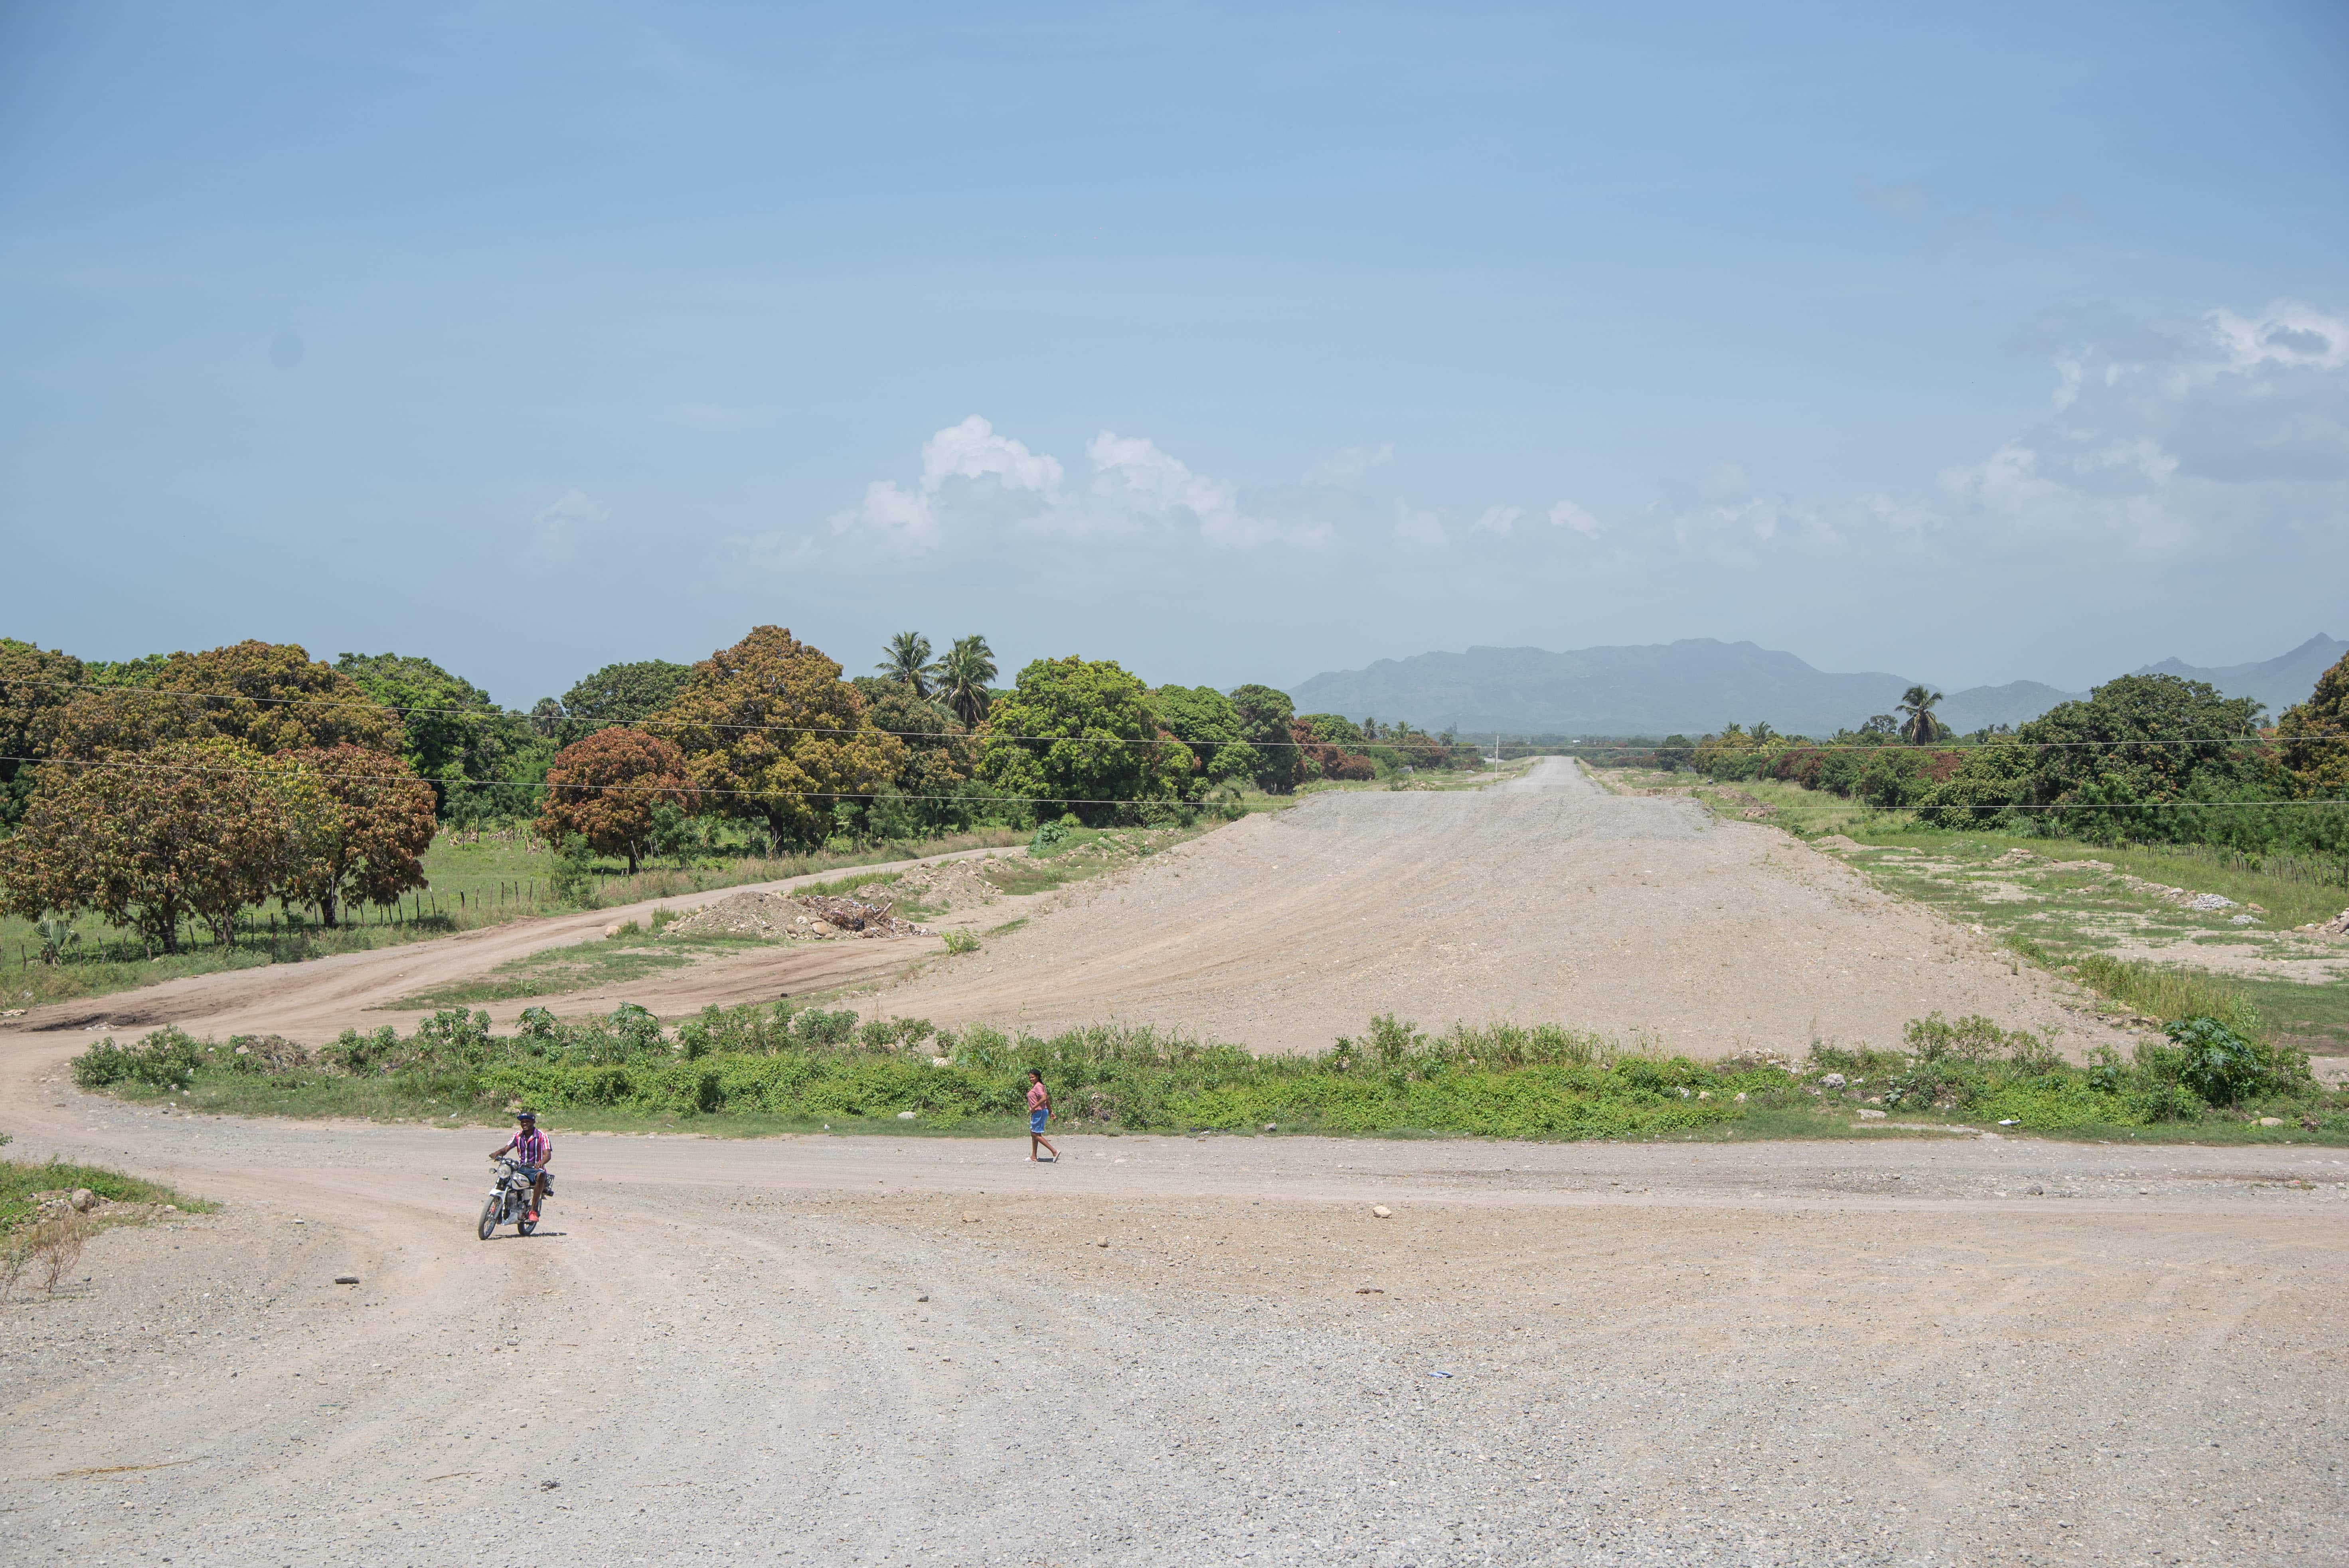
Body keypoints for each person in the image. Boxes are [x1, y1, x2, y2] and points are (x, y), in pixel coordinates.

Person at [491, 1110, 553, 1223]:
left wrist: (541, 1162)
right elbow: (506, 1149)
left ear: (533, 1122)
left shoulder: (542, 1136)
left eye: (527, 1121)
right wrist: (497, 1153)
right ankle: (496, 1206)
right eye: (522, 1122)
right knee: (505, 1176)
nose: (524, 1124)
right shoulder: (518, 1135)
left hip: (535, 1169)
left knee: (541, 1176)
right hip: (521, 1168)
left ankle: (533, 1210)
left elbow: (548, 1154)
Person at [1025, 1069, 1059, 1163]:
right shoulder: (1038, 1086)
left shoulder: (1038, 1086)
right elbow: (1047, 1099)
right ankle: (1034, 1156)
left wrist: (1034, 1107)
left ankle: (1054, 1152)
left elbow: (1044, 1099)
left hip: (1039, 1112)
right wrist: (1051, 1111)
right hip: (1040, 1112)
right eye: (1030, 1078)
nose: (1031, 1079)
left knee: (1036, 1135)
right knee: (1034, 1133)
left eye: (1033, 1077)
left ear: (1038, 1077)